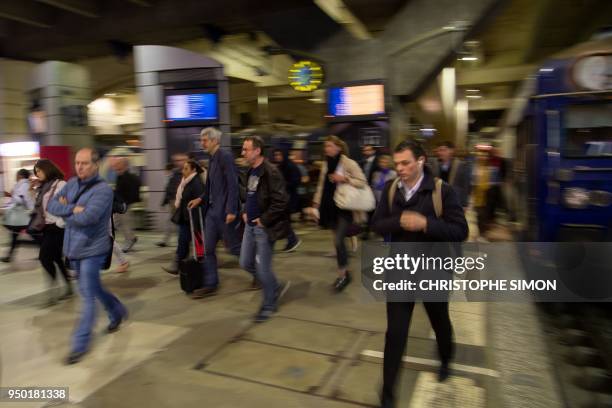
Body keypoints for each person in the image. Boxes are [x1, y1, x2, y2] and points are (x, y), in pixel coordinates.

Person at [371, 140, 468, 407]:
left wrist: (426, 223)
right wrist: (399, 221)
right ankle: (388, 395)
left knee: (439, 322)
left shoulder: (441, 191)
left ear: (421, 161)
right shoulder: (392, 190)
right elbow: (376, 224)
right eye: (397, 163)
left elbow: (460, 231)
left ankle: (446, 358)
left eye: (405, 163)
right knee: (395, 334)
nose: (399, 168)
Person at [47, 148, 128, 365]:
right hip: (74, 248)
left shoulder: (103, 190)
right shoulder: (72, 183)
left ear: (94, 165)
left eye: (84, 163)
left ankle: (79, 344)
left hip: (93, 249)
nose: (79, 167)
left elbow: (89, 218)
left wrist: (67, 210)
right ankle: (117, 310)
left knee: (86, 295)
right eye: (77, 163)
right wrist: (74, 209)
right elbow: (51, 205)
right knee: (93, 288)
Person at [188, 127, 244, 299]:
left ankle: (260, 274)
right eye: (202, 139)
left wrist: (231, 210)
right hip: (212, 212)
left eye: (205, 140)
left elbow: (233, 185)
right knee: (208, 249)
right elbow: (211, 187)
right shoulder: (212, 159)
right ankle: (211, 283)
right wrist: (201, 198)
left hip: (225, 212)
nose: (202, 142)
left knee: (235, 249)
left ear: (214, 141)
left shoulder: (225, 157)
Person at [240, 136, 291, 322]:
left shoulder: (271, 171)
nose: (242, 153)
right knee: (245, 262)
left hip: (264, 228)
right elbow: (249, 196)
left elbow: (281, 201)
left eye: (246, 149)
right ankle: (274, 285)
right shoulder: (249, 171)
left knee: (263, 269)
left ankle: (269, 304)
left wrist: (264, 219)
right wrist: (245, 211)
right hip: (249, 225)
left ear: (257, 151)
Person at [312, 135, 368, 292]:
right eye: (325, 146)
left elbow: (362, 182)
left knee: (338, 241)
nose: (326, 149)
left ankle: (343, 275)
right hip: (329, 207)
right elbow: (322, 185)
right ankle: (344, 272)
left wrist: (344, 178)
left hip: (345, 208)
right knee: (337, 243)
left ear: (338, 147)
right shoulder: (326, 164)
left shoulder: (348, 163)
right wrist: (316, 202)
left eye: (329, 146)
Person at [31, 160, 71, 304]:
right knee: (55, 258)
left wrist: (60, 224)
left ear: (47, 169)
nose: (37, 174)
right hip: (46, 227)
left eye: (39, 171)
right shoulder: (43, 187)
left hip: (58, 227)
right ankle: (68, 286)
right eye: (36, 172)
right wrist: (33, 191)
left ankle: (52, 290)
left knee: (44, 257)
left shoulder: (61, 185)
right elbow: (38, 208)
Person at [162, 160, 205, 278]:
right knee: (183, 243)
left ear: (193, 170)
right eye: (183, 168)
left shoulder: (196, 183)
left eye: (186, 169)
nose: (183, 171)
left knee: (186, 243)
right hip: (186, 218)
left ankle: (181, 267)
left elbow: (201, 201)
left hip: (192, 220)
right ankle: (180, 266)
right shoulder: (186, 182)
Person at [271, 148, 302, 252]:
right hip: (282, 198)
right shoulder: (280, 166)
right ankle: (291, 240)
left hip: (289, 198)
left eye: (279, 154)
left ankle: (292, 240)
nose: (277, 157)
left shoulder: (291, 166)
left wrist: (283, 184)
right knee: (283, 221)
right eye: (276, 155)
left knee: (283, 221)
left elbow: (296, 182)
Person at [1, 169, 34, 263]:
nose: (15, 176)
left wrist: (11, 195)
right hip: (21, 217)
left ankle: (46, 250)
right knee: (14, 236)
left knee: (33, 234)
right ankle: (9, 256)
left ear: (20, 175)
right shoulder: (21, 184)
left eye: (17, 174)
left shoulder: (23, 185)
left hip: (23, 216)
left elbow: (21, 200)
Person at [430, 141, 472, 210]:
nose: (440, 153)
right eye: (439, 150)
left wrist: (464, 204)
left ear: (451, 151)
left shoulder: (461, 165)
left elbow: (465, 186)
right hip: (438, 200)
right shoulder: (435, 165)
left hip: (454, 201)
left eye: (443, 150)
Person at [157, 155, 187, 247]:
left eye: (180, 160)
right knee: (171, 221)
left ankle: (182, 241)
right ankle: (167, 240)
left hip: (182, 202)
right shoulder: (175, 173)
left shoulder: (188, 171)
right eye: (176, 160)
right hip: (173, 202)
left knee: (180, 223)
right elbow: (169, 188)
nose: (178, 162)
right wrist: (164, 201)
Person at [112, 157, 140, 252]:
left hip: (125, 204)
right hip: (119, 204)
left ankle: (129, 241)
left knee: (125, 223)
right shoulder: (119, 175)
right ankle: (131, 237)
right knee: (116, 223)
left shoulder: (128, 176)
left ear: (123, 165)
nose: (115, 165)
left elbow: (129, 192)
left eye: (117, 163)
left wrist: (126, 203)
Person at [360, 144, 379, 240]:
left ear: (373, 151)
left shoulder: (378, 162)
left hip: (376, 190)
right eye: (365, 150)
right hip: (365, 190)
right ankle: (367, 230)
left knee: (375, 210)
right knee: (368, 210)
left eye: (368, 150)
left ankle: (372, 230)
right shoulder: (363, 162)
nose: (366, 152)